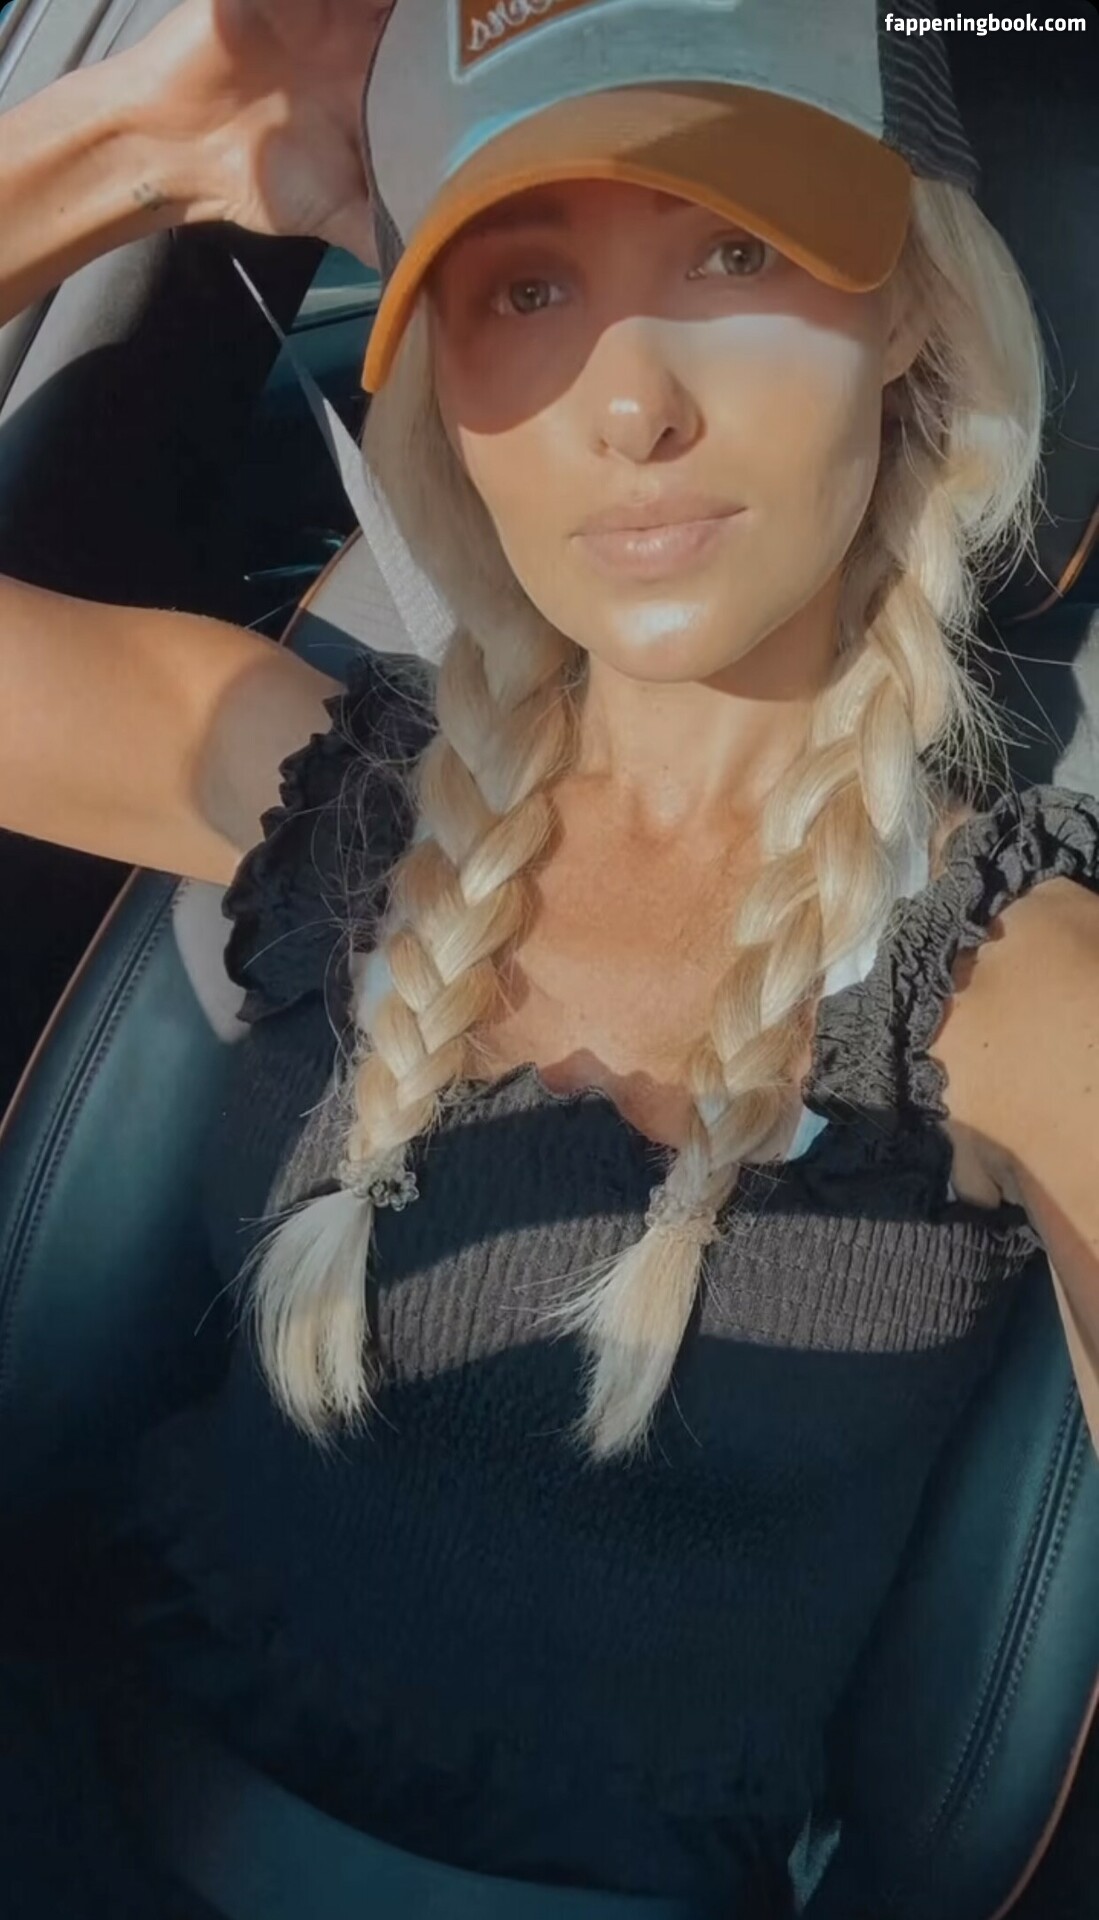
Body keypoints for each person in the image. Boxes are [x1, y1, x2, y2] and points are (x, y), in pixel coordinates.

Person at [1, 2, 1098, 1916]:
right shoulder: (318, 776)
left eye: (736, 253)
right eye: (524, 289)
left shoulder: (1021, 988)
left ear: (912, 313)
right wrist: (141, 146)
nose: (629, 404)